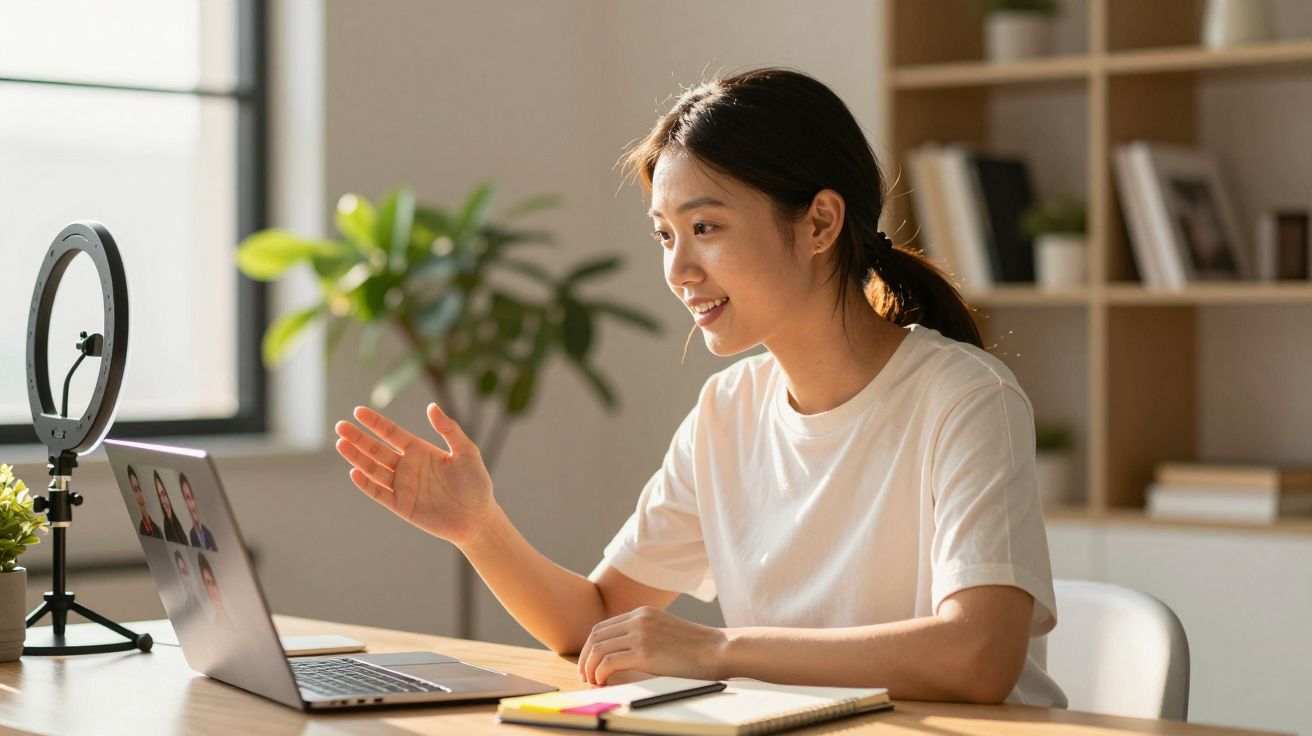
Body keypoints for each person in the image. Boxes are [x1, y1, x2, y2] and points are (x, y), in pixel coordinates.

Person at [333, 68, 1064, 706]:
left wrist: (714, 650)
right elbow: (598, 620)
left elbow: (980, 656)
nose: (677, 271)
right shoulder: (728, 412)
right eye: (664, 235)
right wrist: (479, 527)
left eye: (705, 226)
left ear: (819, 223)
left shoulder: (964, 397)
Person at [178, 473, 218, 551]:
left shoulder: (209, 534)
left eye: (192, 497)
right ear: (185, 503)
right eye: (188, 497)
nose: (192, 504)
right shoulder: (191, 535)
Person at [196, 553, 234, 628]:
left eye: (214, 581)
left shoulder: (238, 613)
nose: (213, 588)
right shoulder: (213, 626)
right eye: (208, 582)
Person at [127, 465, 163, 540]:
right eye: (135, 490)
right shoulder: (141, 530)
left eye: (139, 488)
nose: (140, 494)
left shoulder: (155, 527)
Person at [153, 471, 188, 545]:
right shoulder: (166, 528)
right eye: (160, 496)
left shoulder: (178, 521)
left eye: (164, 494)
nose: (163, 501)